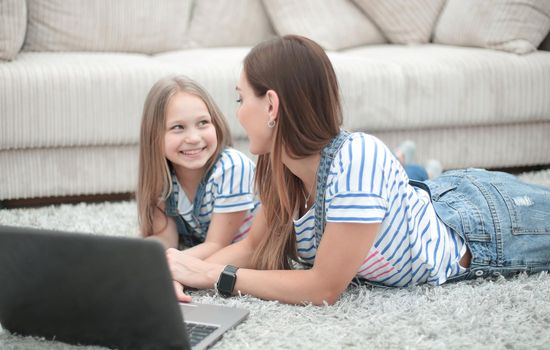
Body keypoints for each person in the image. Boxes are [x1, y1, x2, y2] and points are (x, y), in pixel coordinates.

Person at [166, 35, 550, 306]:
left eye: (240, 98)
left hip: (487, 224)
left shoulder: (357, 158)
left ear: (271, 106)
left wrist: (214, 277)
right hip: (444, 196)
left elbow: (324, 288)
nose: (235, 112)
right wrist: (181, 269)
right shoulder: (278, 168)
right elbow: (252, 247)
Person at [137, 75, 259, 263]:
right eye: (178, 127)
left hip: (250, 254)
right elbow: (166, 238)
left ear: (215, 123)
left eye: (203, 123)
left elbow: (217, 245)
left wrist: (165, 264)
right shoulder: (163, 176)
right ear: (154, 137)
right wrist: (142, 254)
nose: (194, 138)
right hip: (213, 253)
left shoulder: (232, 168)